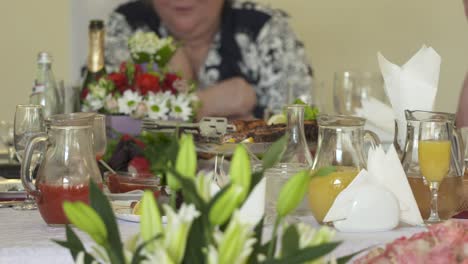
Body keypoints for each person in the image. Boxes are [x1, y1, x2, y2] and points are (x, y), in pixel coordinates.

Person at [105, 0, 313, 120]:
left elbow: (301, 127)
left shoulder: (263, 27)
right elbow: (99, 125)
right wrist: (202, 103)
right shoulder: (126, 26)